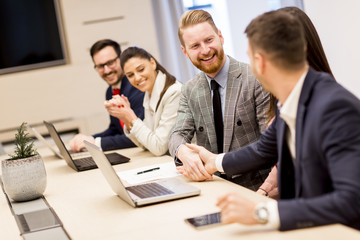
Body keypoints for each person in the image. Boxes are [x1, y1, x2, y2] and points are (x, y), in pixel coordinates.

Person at [185, 10, 360, 231]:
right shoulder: (291, 100)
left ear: (261, 63)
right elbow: (262, 150)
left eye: (250, 57)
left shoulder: (334, 107)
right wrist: (214, 162)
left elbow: (351, 202)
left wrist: (261, 212)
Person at [168, 9, 270, 190]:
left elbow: (270, 144)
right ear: (185, 52)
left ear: (220, 37)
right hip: (213, 186)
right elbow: (177, 134)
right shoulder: (189, 90)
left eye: (209, 40)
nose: (205, 50)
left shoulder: (255, 78)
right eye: (195, 46)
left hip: (257, 187)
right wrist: (182, 151)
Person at [256, 6, 334, 199]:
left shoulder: (327, 106)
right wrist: (262, 193)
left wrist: (263, 204)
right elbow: (279, 162)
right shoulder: (283, 99)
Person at [105, 47, 182, 156]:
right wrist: (125, 118)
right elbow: (145, 145)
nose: (137, 78)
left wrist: (131, 116)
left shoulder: (174, 93)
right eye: (130, 75)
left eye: (141, 70)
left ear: (152, 63)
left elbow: (159, 147)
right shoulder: (149, 94)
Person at [69, 39, 144, 152]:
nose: (106, 70)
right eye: (100, 66)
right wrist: (88, 140)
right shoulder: (110, 91)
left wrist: (96, 143)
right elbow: (116, 129)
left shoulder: (137, 87)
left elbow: (138, 135)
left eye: (110, 63)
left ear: (121, 59)